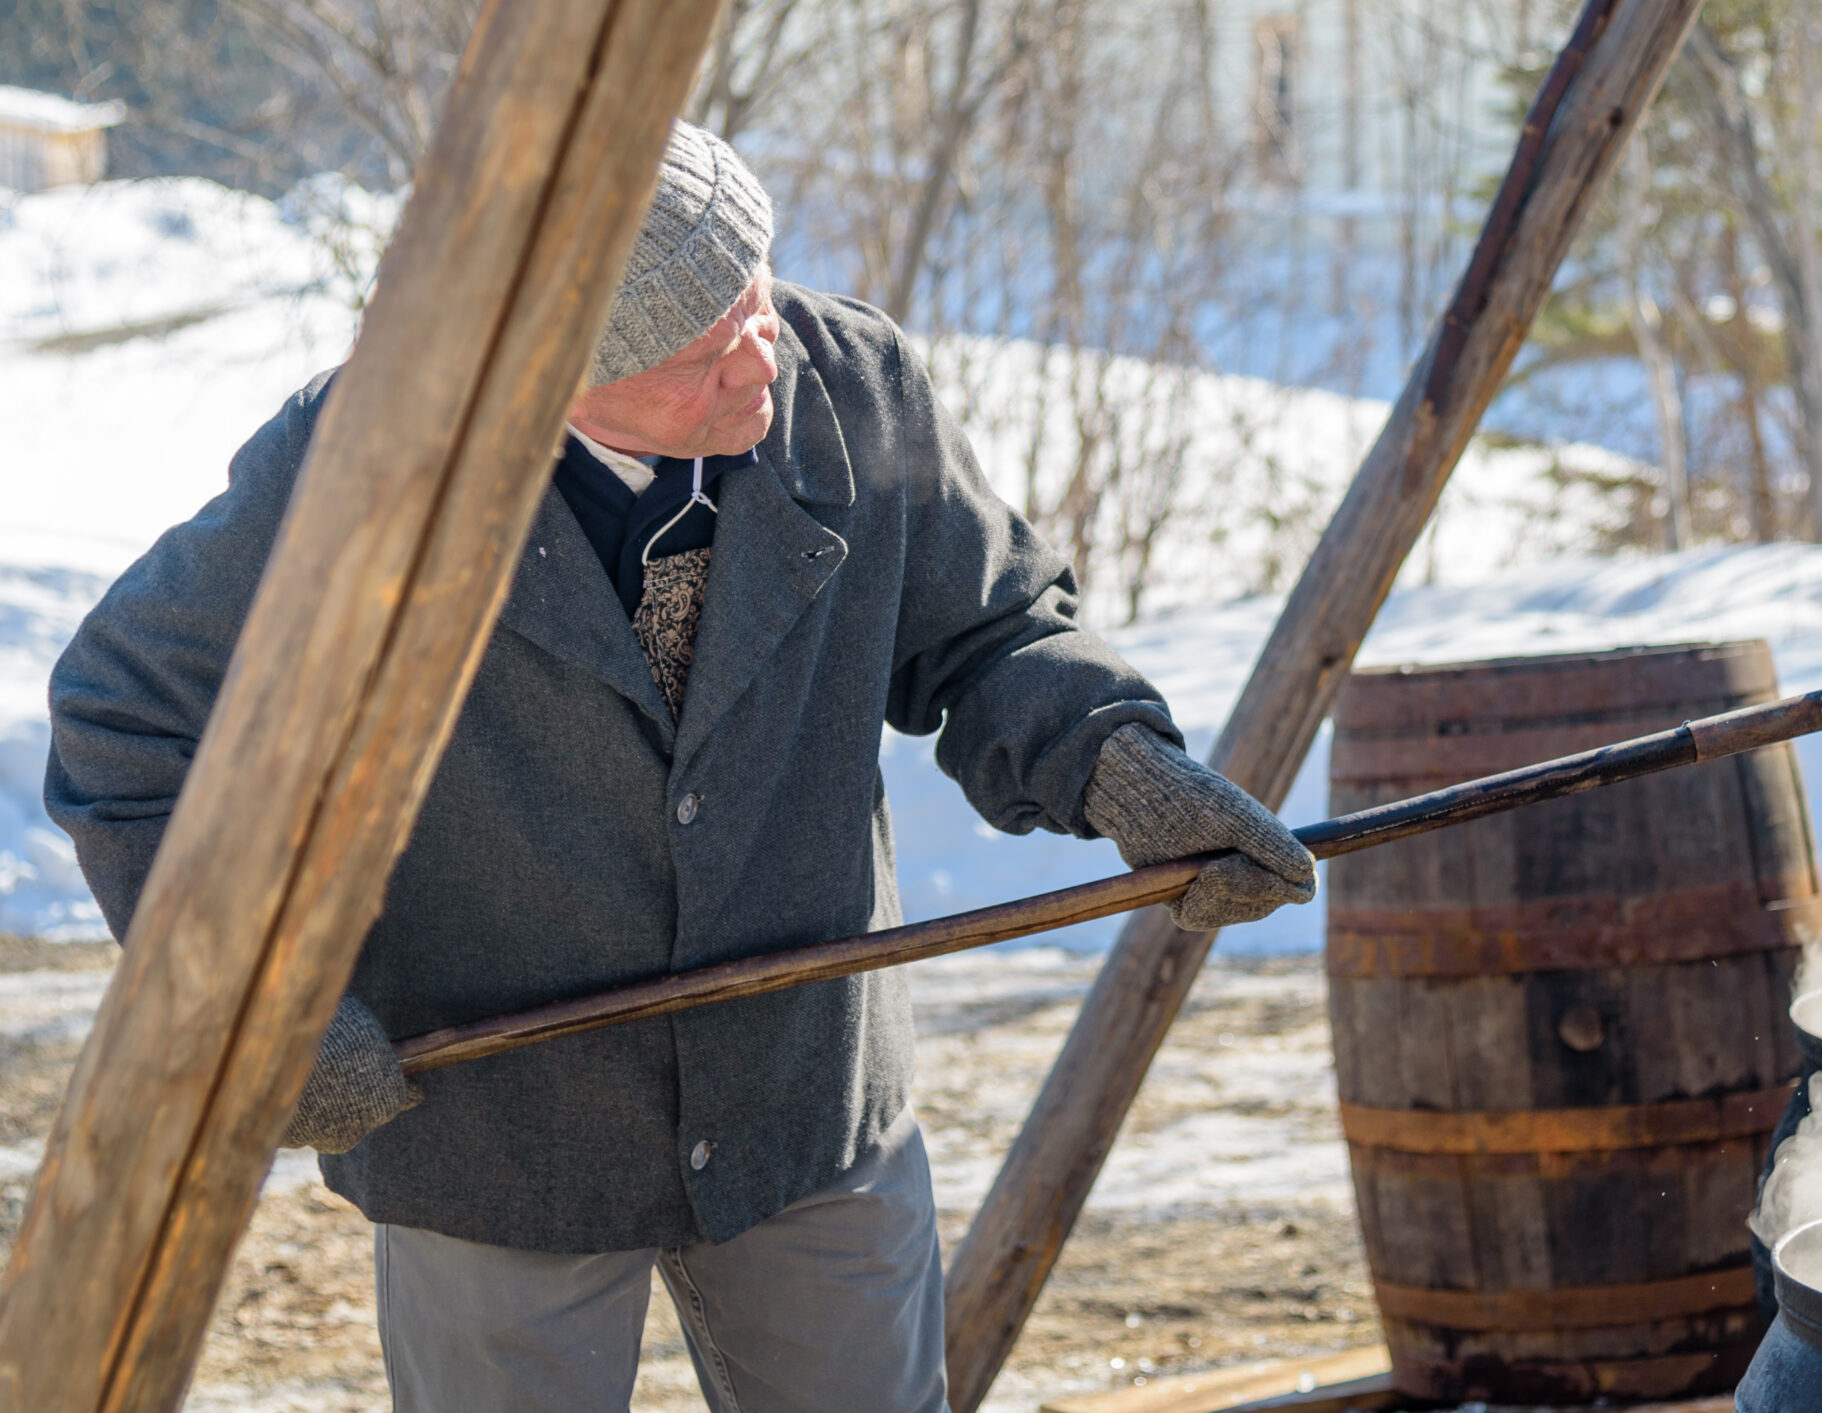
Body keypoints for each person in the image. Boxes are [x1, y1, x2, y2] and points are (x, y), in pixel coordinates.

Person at [44, 121, 1316, 1412]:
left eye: (752, 295)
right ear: (555, 379)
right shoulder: (361, 471)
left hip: (803, 1100)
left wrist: (1118, 760)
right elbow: (120, 720)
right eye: (702, 357)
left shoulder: (852, 388)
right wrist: (257, 1008)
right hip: (497, 1141)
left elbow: (991, 628)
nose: (759, 354)